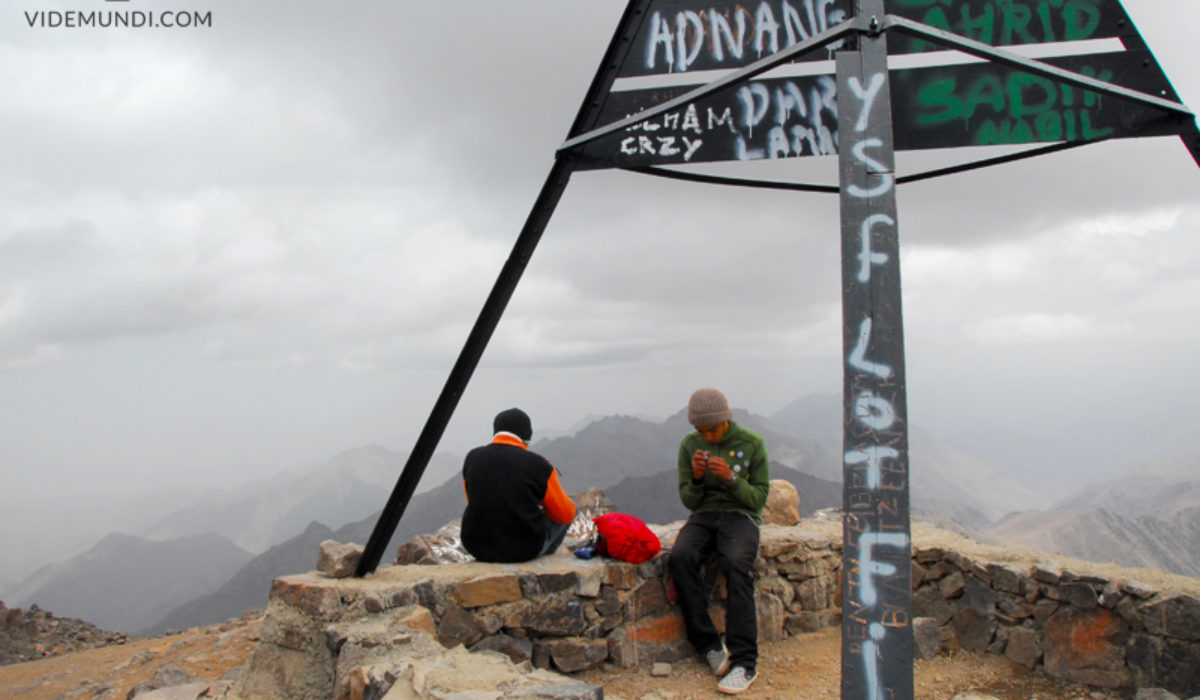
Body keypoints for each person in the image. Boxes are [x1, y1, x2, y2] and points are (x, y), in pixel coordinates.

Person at [667, 388, 770, 695]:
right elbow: (688, 500)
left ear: (726, 420)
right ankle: (710, 646)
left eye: (712, 429)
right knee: (680, 558)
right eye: (701, 430)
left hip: (741, 516)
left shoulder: (752, 443)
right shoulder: (690, 445)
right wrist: (697, 479)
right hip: (705, 515)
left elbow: (759, 498)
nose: (707, 437)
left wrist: (732, 479)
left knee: (736, 563)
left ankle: (745, 662)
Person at [460, 408, 577, 563]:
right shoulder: (537, 465)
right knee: (570, 507)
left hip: (477, 547)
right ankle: (543, 556)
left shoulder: (472, 458)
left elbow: (473, 500)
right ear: (527, 435)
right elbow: (565, 514)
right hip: (522, 550)